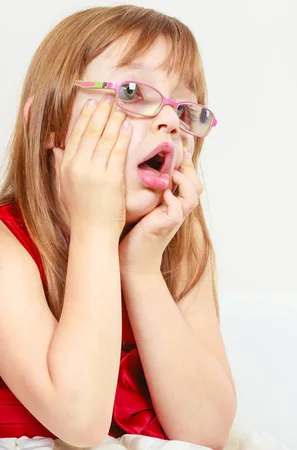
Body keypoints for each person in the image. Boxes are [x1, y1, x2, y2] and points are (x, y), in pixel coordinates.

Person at [0, 5, 281, 450]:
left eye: (185, 108)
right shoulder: (5, 248)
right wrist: (96, 226)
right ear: (49, 125)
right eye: (131, 91)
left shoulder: (176, 246)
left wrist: (142, 269)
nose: (170, 121)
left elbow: (206, 432)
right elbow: (79, 421)